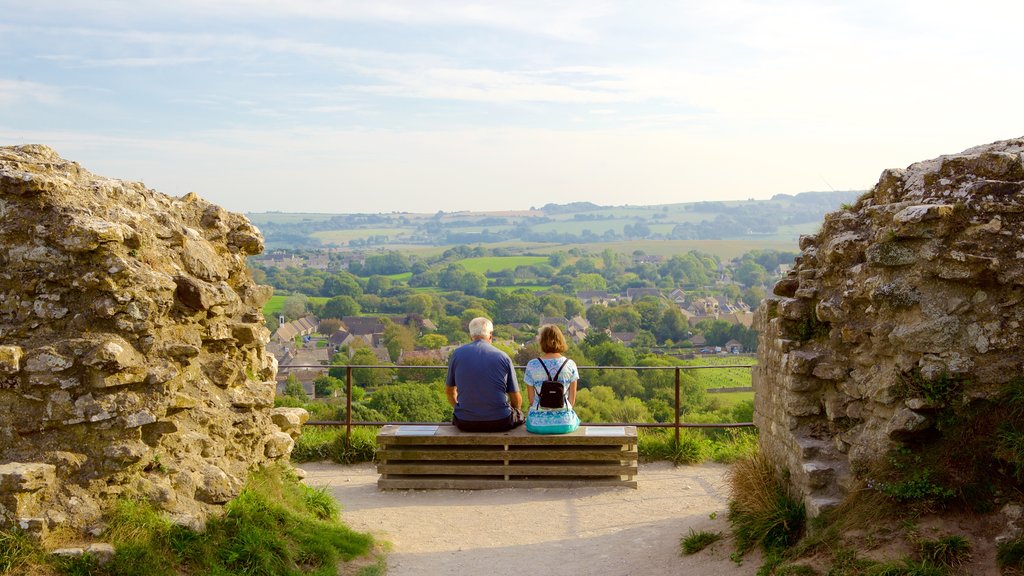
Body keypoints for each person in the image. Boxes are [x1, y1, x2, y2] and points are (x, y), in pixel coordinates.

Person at [445, 317, 525, 432]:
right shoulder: (502, 356)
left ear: (470, 335)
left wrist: (461, 409)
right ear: (491, 335)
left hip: (465, 422)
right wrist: (516, 411)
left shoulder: (457, 354)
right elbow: (515, 397)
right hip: (500, 421)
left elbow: (449, 391)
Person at [524, 325, 580, 434]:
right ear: (561, 341)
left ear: (542, 342)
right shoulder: (570, 364)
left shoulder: (532, 365)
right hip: (565, 423)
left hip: (537, 423)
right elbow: (572, 401)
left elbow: (531, 400)